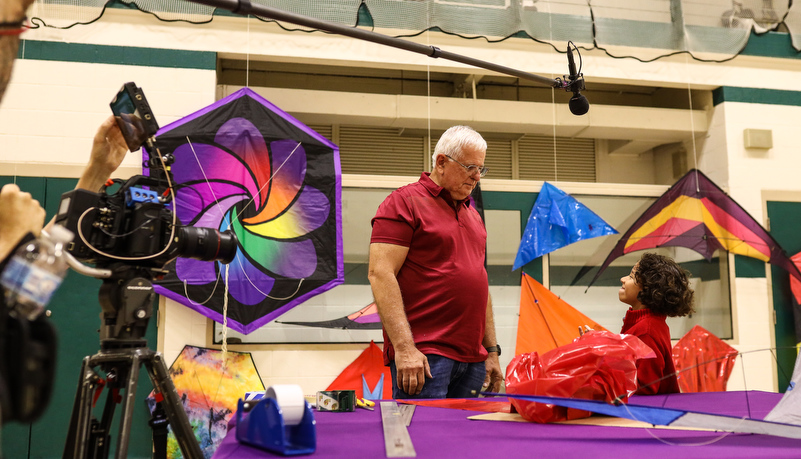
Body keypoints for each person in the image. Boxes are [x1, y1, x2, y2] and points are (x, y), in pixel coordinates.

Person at [368, 125, 503, 399]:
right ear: (442, 162)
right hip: (425, 358)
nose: (477, 176)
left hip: (473, 360)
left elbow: (480, 285)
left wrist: (491, 351)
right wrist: (405, 348)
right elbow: (380, 274)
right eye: (470, 167)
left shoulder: (473, 217)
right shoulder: (403, 203)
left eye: (481, 169)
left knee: (467, 442)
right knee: (421, 440)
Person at [619, 252, 695, 395]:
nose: (622, 279)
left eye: (631, 276)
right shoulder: (644, 324)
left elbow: (644, 389)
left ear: (648, 288)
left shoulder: (646, 330)